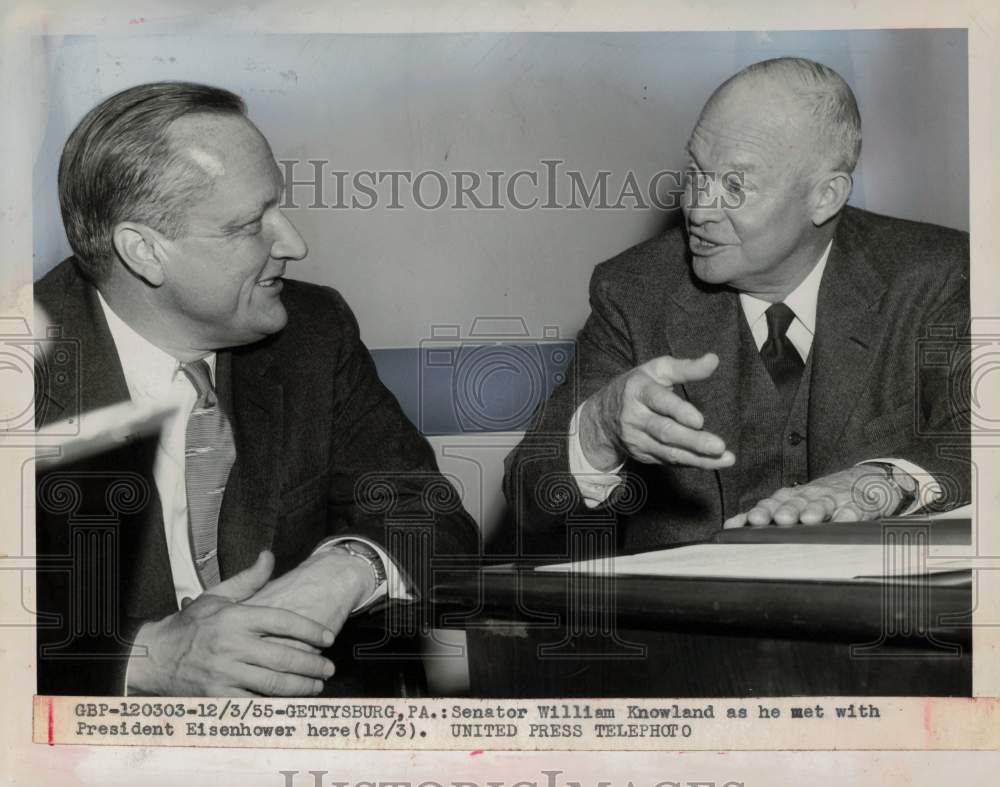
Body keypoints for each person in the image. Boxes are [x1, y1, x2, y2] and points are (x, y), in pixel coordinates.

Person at [34, 82, 478, 697]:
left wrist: (347, 568)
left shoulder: (313, 333)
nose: (294, 244)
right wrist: (149, 659)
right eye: (248, 226)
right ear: (144, 252)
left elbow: (431, 515)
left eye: (280, 208)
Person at [504, 57, 970, 551]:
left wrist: (883, 481)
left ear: (826, 196)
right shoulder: (634, 290)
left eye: (735, 185)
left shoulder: (936, 275)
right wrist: (600, 428)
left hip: (875, 621)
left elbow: (980, 441)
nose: (698, 210)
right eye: (697, 173)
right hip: (686, 624)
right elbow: (530, 500)